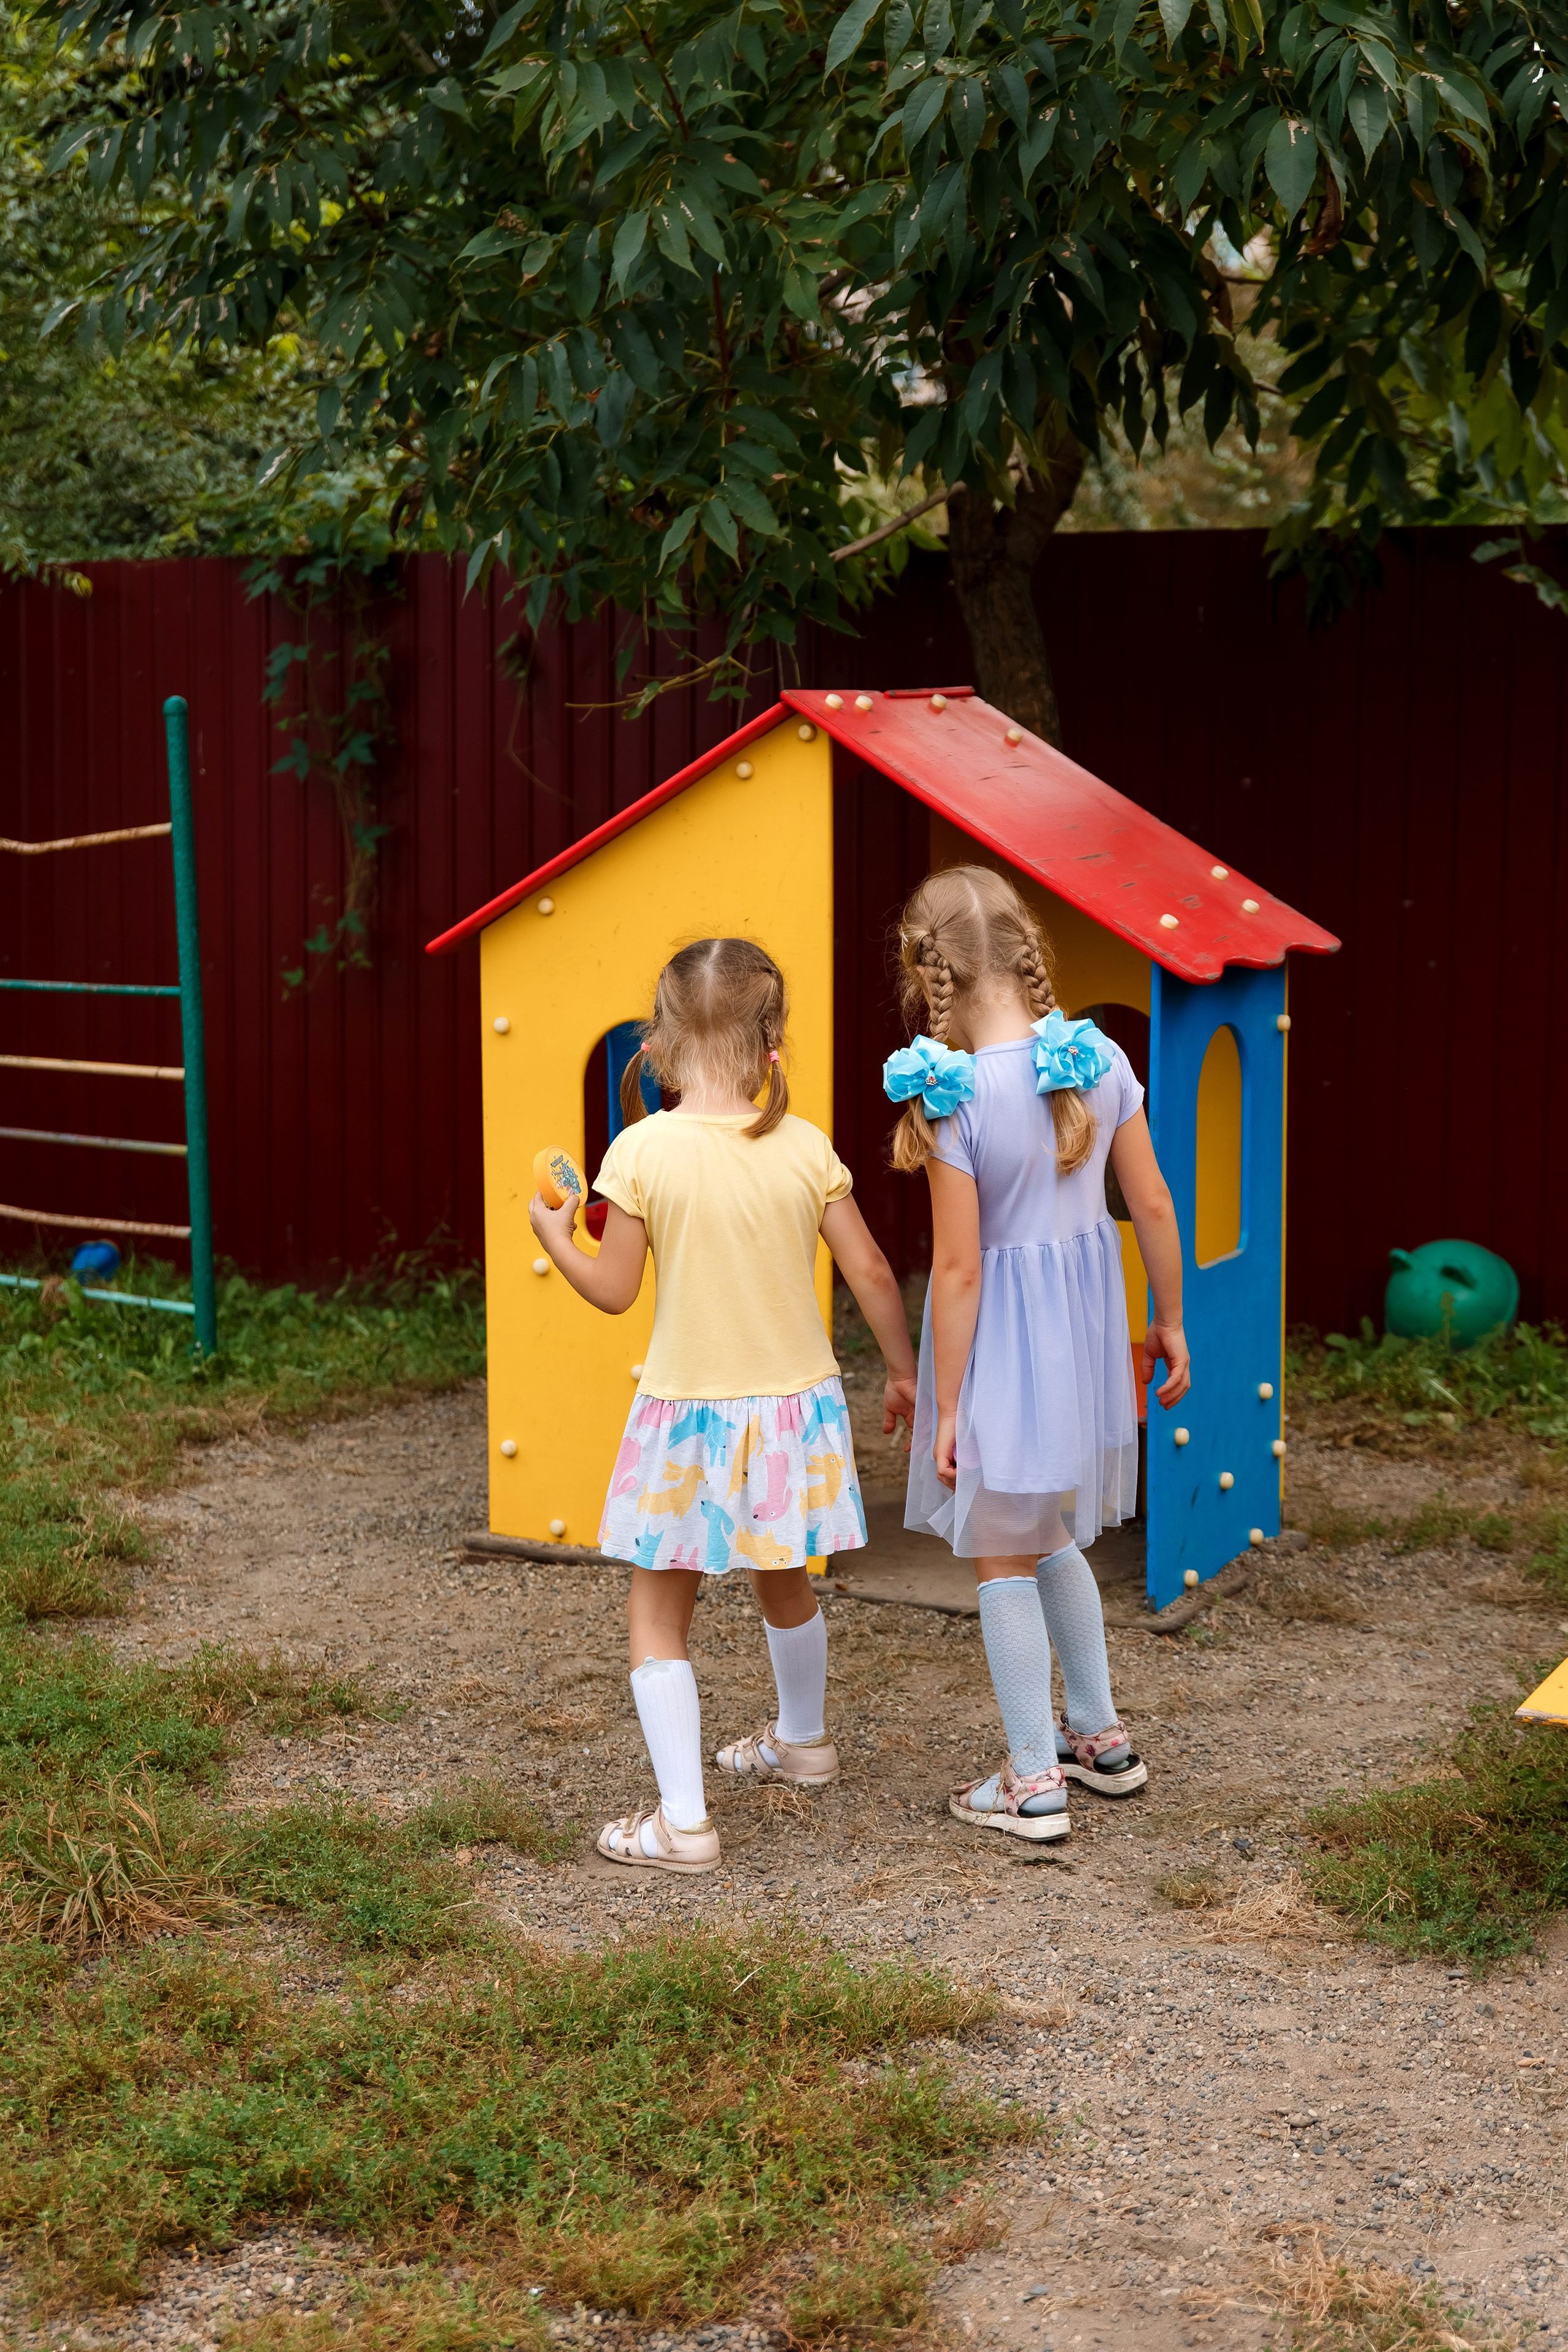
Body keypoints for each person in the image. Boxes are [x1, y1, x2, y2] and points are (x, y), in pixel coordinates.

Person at [530, 937, 918, 1874]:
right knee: (785, 1576)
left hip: (690, 1420)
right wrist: (903, 1371)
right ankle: (804, 1742)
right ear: (770, 1038)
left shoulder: (640, 1151)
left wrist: (554, 1238)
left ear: (655, 1043)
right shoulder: (804, 1145)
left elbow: (615, 1290)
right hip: (794, 1415)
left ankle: (683, 1825)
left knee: (659, 1615)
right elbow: (869, 1268)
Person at [884, 866, 1191, 1842]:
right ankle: (1099, 1738)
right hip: (1082, 1339)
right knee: (1044, 1525)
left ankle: (1029, 1780)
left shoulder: (956, 1093)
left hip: (1002, 1349)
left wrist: (949, 1402)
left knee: (996, 1548)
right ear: (1029, 951)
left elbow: (963, 1270)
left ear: (923, 972)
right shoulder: (1096, 1059)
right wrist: (1170, 1320)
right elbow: (1148, 1202)